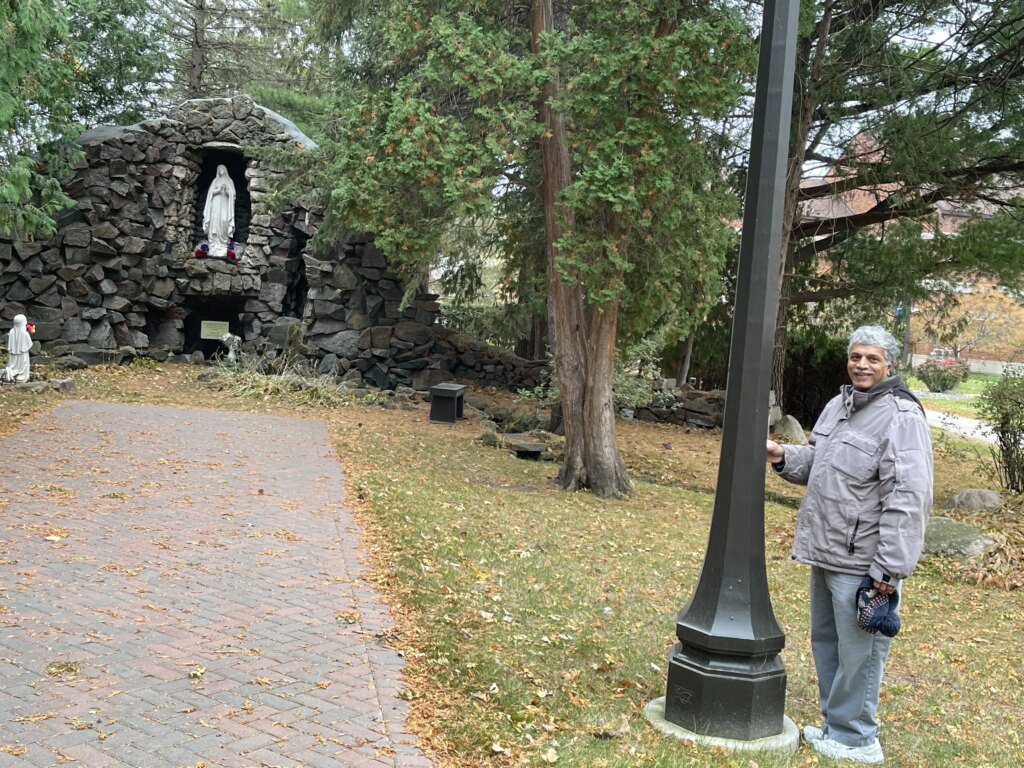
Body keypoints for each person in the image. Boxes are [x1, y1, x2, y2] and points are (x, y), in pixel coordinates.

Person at [765, 325, 933, 764]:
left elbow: (909, 498)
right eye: (856, 356)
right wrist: (781, 454)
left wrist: (887, 573)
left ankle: (859, 739)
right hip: (826, 550)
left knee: (860, 654)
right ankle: (835, 727)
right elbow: (818, 463)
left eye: (872, 358)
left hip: (865, 564)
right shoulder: (838, 406)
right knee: (828, 644)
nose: (862, 364)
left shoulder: (902, 417)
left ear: (890, 365)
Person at [202, 164, 236, 257]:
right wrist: (218, 190)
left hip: (225, 204)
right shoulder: (215, 181)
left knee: (224, 220)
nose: (221, 170)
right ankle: (213, 242)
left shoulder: (230, 181)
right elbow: (210, 193)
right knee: (215, 221)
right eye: (219, 169)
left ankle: (224, 243)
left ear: (225, 170)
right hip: (216, 204)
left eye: (222, 168)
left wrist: (227, 191)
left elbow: (233, 195)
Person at [2, 314, 33, 383]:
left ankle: (10, 373)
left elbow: (9, 344)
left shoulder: (11, 332)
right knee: (23, 366)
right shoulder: (25, 333)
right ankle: (20, 377)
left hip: (12, 354)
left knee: (12, 365)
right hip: (22, 355)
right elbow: (29, 344)